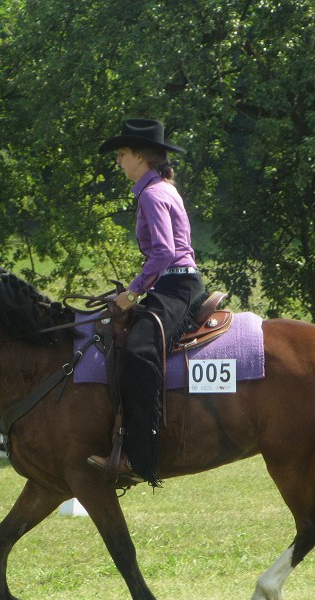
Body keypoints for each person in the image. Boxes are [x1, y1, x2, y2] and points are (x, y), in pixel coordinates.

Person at [87, 118, 207, 487]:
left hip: (176, 287)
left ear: (139, 157)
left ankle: (139, 458)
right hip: (173, 284)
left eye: (122, 154)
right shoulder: (160, 188)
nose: (119, 161)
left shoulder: (153, 194)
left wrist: (131, 293)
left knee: (139, 353)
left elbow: (163, 254)